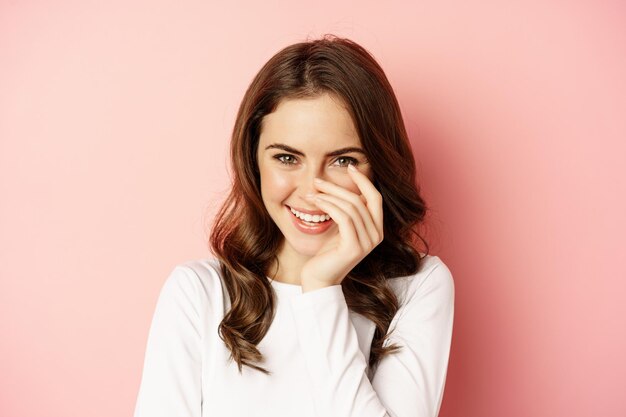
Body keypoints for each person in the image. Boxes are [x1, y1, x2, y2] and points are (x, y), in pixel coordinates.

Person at [133, 34, 455, 417]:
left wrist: (321, 288)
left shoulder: (418, 286)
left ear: (378, 167)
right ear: (254, 160)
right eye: (287, 158)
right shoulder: (198, 294)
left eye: (343, 161)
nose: (311, 192)